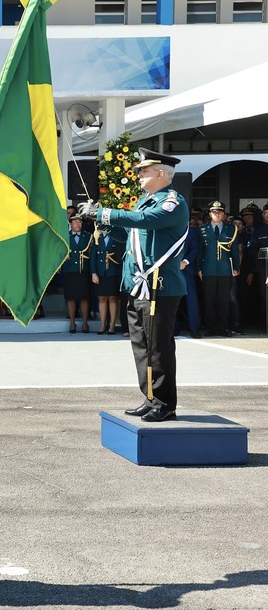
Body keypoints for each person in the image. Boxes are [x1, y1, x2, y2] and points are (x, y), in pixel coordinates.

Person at [78, 148, 188, 423]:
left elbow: (147, 222)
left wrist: (106, 212)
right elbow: (129, 231)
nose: (139, 174)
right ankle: (150, 397)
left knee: (158, 347)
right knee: (141, 345)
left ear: (161, 173)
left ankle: (165, 404)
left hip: (159, 286)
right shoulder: (144, 201)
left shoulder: (172, 202)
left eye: (144, 170)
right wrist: (100, 220)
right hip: (139, 285)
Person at [196, 201, 241, 337]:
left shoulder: (231, 229)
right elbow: (200, 251)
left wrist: (236, 267)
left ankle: (222, 327)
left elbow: (234, 250)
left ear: (223, 215)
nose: (217, 214)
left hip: (225, 269)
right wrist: (198, 268)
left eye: (219, 212)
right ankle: (210, 327)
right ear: (210, 214)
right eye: (214, 212)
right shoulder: (202, 229)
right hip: (208, 269)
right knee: (209, 300)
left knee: (224, 300)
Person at [63, 215, 93, 334]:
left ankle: (85, 323)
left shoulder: (88, 236)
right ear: (70, 224)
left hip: (83, 270)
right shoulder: (65, 236)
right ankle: (72, 322)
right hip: (70, 270)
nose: (77, 224)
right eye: (75, 222)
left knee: (84, 297)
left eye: (79, 222)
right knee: (71, 298)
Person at [90, 227, 122, 335]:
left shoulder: (116, 237)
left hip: (113, 272)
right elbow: (93, 256)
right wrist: (93, 273)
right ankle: (102, 324)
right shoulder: (97, 238)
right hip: (100, 272)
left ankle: (112, 325)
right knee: (102, 298)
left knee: (113, 298)